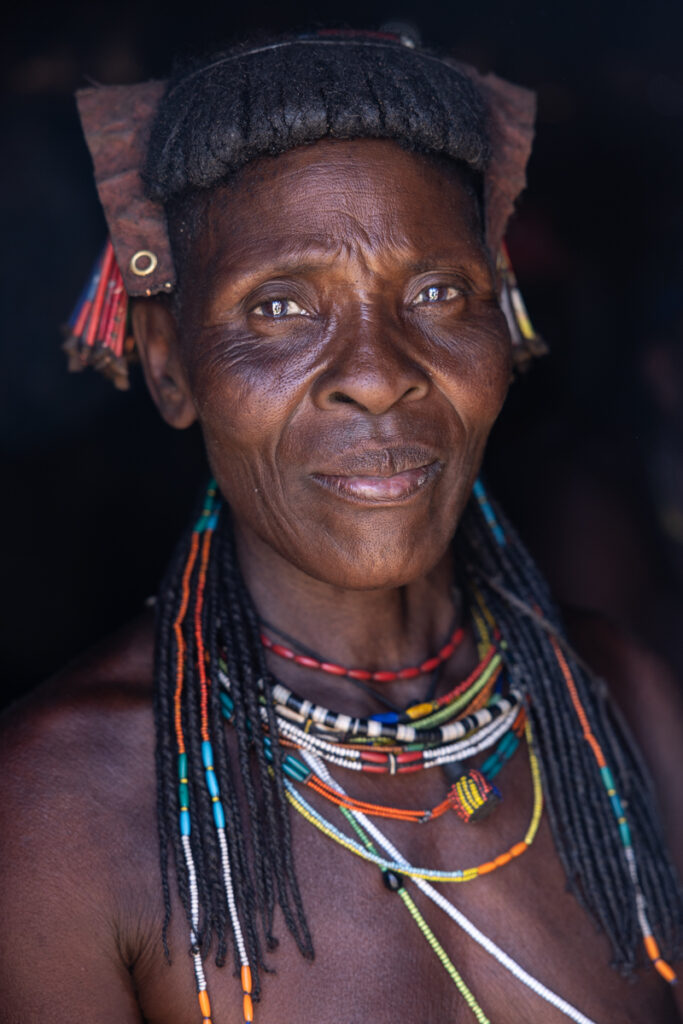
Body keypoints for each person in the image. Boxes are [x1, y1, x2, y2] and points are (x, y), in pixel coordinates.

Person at [1, 26, 681, 1024]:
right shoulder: (55, 818)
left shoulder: (621, 703)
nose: (375, 372)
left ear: (503, 328)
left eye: (439, 292)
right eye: (278, 306)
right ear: (168, 364)